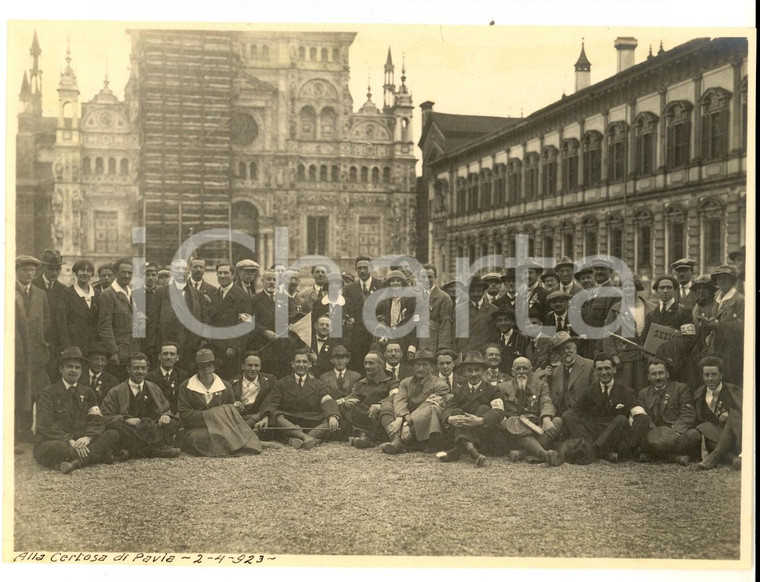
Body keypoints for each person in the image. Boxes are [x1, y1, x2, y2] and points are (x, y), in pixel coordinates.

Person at [33, 347, 121, 474]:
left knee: (113, 433)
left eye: (77, 367)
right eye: (70, 366)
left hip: (82, 440)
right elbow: (45, 424)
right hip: (57, 441)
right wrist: (70, 441)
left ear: (81, 371)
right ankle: (97, 455)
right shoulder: (48, 393)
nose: (74, 371)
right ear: (61, 369)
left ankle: (76, 462)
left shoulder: (87, 392)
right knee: (58, 448)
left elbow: (96, 418)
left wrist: (88, 437)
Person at [177, 349, 263, 456]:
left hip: (222, 427)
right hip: (196, 429)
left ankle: (236, 445)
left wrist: (234, 407)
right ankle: (239, 446)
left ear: (214, 366)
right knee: (203, 438)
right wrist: (216, 414)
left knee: (223, 434)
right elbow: (185, 415)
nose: (206, 369)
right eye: (202, 366)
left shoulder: (225, 386)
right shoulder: (186, 386)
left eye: (209, 365)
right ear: (197, 368)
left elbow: (231, 411)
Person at [256, 349, 341, 450]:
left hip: (311, 420)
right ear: (292, 364)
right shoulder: (281, 383)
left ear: (310, 364)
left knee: (332, 419)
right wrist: (265, 417)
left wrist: (332, 415)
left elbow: (327, 400)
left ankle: (296, 438)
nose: (301, 365)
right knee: (276, 416)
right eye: (298, 361)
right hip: (290, 420)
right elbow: (271, 401)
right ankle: (308, 437)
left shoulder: (318, 384)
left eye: (304, 362)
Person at [561, 354, 638, 463]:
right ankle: (599, 452)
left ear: (614, 370)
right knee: (567, 415)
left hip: (613, 434)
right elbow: (575, 412)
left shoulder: (626, 391)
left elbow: (637, 416)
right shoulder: (589, 391)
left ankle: (592, 450)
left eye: (607, 368)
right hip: (592, 432)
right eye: (600, 369)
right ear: (596, 372)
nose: (604, 372)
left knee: (621, 419)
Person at [101, 353, 181, 459]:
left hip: (152, 428)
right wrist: (125, 419)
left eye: (143, 368)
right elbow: (104, 416)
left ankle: (132, 451)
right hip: (130, 429)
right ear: (128, 369)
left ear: (147, 369)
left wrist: (165, 416)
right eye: (136, 368)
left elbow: (166, 408)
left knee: (172, 423)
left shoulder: (154, 388)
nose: (140, 372)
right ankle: (154, 451)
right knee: (117, 428)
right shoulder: (116, 391)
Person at [437, 351, 505, 467]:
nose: (473, 374)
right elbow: (448, 408)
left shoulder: (493, 390)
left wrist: (480, 420)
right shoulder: (458, 391)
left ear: (483, 371)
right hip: (464, 431)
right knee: (456, 412)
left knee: (484, 408)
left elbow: (499, 412)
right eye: (469, 370)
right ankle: (473, 452)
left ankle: (459, 449)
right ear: (464, 372)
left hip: (486, 437)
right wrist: (450, 419)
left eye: (477, 370)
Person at [378, 348, 449, 454]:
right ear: (413, 366)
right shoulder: (406, 382)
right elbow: (400, 401)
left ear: (432, 367)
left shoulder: (441, 385)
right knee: (386, 405)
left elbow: (426, 407)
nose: (420, 368)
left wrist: (407, 423)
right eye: (417, 365)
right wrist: (399, 419)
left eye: (424, 365)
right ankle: (396, 440)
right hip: (406, 419)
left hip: (423, 425)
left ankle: (400, 443)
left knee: (431, 408)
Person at [629, 360, 699, 464]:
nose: (658, 377)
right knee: (641, 436)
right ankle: (674, 458)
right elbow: (644, 417)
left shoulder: (680, 388)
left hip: (675, 435)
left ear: (667, 374)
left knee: (694, 435)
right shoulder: (643, 393)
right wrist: (655, 434)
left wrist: (674, 432)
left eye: (661, 373)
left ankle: (653, 456)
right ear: (648, 377)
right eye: (653, 374)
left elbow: (688, 415)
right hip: (653, 435)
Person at [499, 357, 564, 466]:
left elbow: (546, 401)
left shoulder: (541, 385)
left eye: (525, 368)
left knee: (557, 421)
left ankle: (523, 452)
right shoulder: (502, 387)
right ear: (512, 371)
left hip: (535, 426)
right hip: (513, 428)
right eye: (517, 368)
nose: (521, 371)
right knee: (515, 425)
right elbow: (498, 409)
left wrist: (546, 419)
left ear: (531, 370)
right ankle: (544, 455)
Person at [146, 259, 208, 372]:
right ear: (172, 272)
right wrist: (152, 346)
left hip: (190, 347)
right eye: (177, 269)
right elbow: (153, 320)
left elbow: (204, 320)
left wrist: (202, 340)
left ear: (188, 272)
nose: (181, 271)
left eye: (184, 269)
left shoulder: (198, 294)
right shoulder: (161, 293)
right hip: (166, 346)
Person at [15, 255, 51, 444]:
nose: (29, 274)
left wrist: (42, 342)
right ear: (17, 271)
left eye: (32, 271)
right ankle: (14, 433)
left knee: (37, 390)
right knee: (19, 390)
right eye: (25, 270)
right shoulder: (10, 292)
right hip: (18, 352)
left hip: (37, 352)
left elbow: (46, 320)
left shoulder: (40, 293)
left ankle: (30, 429)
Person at [643, 275, 697, 386]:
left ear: (675, 290)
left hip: (678, 366)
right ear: (657, 290)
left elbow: (689, 340)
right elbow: (644, 340)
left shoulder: (684, 312)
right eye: (662, 288)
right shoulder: (651, 314)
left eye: (669, 287)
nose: (665, 291)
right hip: (657, 367)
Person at [602, 274, 655, 390]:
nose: (628, 289)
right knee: (626, 391)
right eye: (624, 286)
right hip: (625, 359)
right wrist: (614, 355)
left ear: (637, 287)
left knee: (646, 390)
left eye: (631, 286)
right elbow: (607, 335)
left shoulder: (651, 308)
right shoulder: (616, 309)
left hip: (646, 358)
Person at [689, 356, 742, 471]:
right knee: (705, 427)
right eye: (706, 375)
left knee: (733, 414)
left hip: (736, 435)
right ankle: (733, 459)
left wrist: (730, 416)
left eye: (714, 374)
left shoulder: (734, 392)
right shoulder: (698, 394)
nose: (710, 379)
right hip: (713, 438)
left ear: (721, 375)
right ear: (702, 376)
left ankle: (714, 458)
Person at [98, 257, 142, 381]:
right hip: (118, 356)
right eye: (123, 272)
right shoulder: (108, 295)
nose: (127, 276)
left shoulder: (131, 294)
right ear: (116, 273)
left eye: (130, 273)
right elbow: (105, 327)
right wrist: (113, 352)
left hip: (133, 353)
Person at [342, 351, 399, 448]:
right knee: (351, 406)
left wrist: (381, 404)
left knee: (387, 408)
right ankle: (366, 437)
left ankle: (366, 436)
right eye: (365, 363)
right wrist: (348, 402)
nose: (367, 366)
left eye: (371, 363)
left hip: (382, 417)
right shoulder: (360, 383)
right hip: (366, 416)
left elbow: (395, 396)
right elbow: (354, 396)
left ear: (380, 365)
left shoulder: (391, 381)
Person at [209, 262, 253, 380]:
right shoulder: (214, 294)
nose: (222, 276)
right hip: (215, 347)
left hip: (230, 350)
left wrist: (234, 346)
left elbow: (245, 324)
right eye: (219, 273)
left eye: (226, 273)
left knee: (229, 380)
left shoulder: (241, 295)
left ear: (233, 275)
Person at [250, 268, 295, 378]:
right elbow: (249, 321)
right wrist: (264, 331)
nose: (271, 282)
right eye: (268, 279)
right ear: (262, 281)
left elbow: (293, 318)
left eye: (274, 279)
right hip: (264, 348)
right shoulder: (254, 300)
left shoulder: (286, 299)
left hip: (283, 350)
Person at [706, 264, 744, 385]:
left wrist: (719, 325)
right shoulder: (718, 297)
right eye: (718, 278)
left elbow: (743, 326)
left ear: (732, 280)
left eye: (725, 277)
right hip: (717, 347)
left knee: (730, 381)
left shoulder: (739, 300)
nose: (721, 280)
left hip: (732, 350)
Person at [342, 256, 382, 371]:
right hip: (356, 338)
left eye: (366, 268)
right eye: (360, 268)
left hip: (375, 337)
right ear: (355, 269)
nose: (363, 271)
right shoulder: (349, 289)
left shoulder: (381, 286)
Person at [34, 249, 67, 380]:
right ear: (42, 268)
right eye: (50, 269)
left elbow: (63, 320)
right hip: (37, 342)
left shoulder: (64, 290)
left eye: (57, 269)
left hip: (55, 345)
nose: (54, 273)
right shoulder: (34, 285)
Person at [546, 332, 594, 417]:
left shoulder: (590, 366)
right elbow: (554, 400)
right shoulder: (555, 372)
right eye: (561, 350)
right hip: (561, 416)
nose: (566, 352)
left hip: (584, 416)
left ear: (575, 348)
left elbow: (595, 396)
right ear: (558, 354)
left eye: (568, 348)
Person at [374, 270, 419, 359]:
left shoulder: (411, 301)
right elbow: (380, 321)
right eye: (392, 281)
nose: (395, 283)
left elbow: (415, 326)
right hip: (388, 341)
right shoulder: (384, 302)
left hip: (405, 340)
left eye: (398, 281)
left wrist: (412, 348)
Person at [58, 258, 99, 353]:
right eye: (82, 270)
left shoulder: (97, 294)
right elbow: (62, 324)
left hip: (94, 347)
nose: (85, 273)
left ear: (92, 274)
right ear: (76, 272)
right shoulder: (66, 294)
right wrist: (67, 347)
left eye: (88, 271)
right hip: (74, 346)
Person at [230, 352, 276, 429]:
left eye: (256, 365)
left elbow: (273, 401)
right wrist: (234, 404)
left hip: (261, 418)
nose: (253, 369)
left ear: (260, 367)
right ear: (243, 366)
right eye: (249, 365)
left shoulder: (270, 380)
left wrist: (265, 416)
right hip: (240, 418)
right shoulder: (232, 383)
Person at [455, 275, 498, 355]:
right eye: (472, 291)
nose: (475, 294)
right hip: (465, 352)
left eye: (478, 291)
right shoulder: (459, 309)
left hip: (484, 353)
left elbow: (495, 337)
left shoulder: (493, 310)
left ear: (483, 292)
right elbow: (454, 335)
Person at [417, 264, 454, 354]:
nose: (426, 280)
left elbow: (445, 326)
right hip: (418, 343)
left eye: (430, 277)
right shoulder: (416, 297)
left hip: (434, 343)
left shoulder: (444, 298)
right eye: (423, 277)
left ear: (435, 277)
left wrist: (442, 349)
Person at [144, 342, 188, 413]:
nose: (168, 357)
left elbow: (184, 401)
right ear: (159, 357)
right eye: (165, 354)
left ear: (177, 358)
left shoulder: (183, 376)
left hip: (177, 417)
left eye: (172, 354)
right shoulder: (149, 377)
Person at [691, 274, 719, 362]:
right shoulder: (697, 306)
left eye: (705, 288)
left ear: (712, 290)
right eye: (698, 288)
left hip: (709, 353)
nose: (701, 291)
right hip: (694, 351)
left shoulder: (716, 307)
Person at [492, 309, 528, 373]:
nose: (503, 323)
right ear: (496, 323)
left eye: (506, 320)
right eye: (499, 321)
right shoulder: (494, 338)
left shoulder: (520, 338)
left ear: (512, 322)